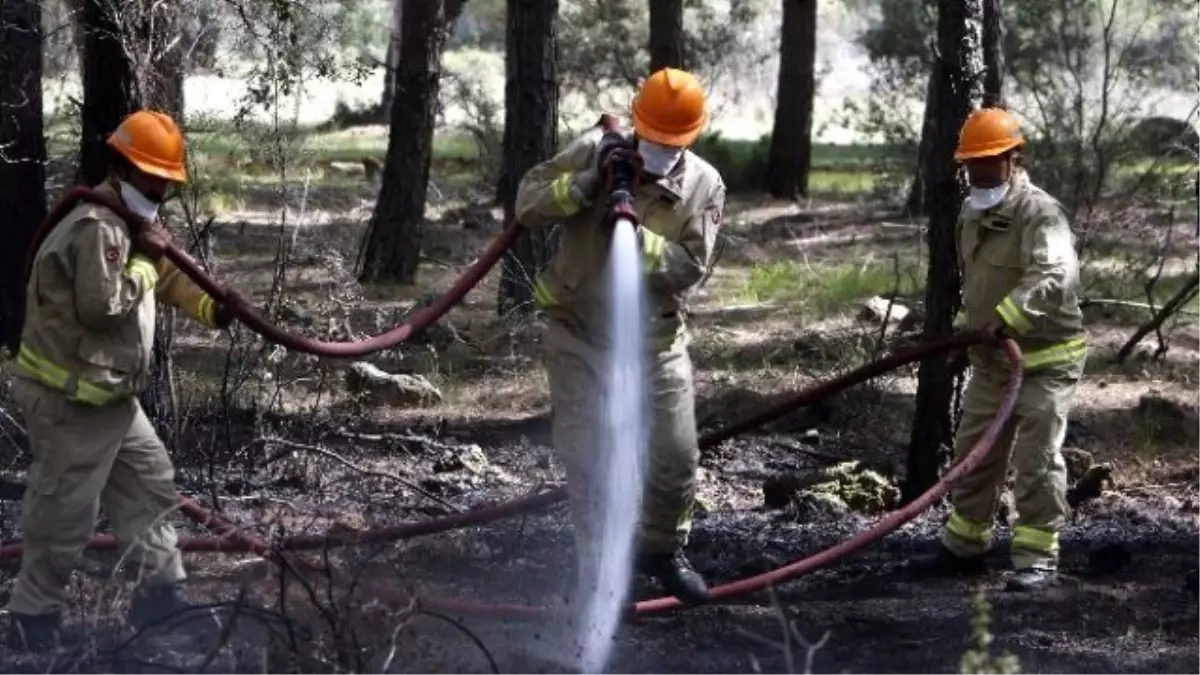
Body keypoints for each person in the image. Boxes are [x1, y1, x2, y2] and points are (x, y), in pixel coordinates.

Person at [7, 109, 242, 650]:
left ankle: (160, 601)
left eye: (167, 179)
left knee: (150, 488)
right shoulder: (100, 226)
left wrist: (216, 309)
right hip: (72, 400)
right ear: (124, 168)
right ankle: (31, 622)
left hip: (108, 395)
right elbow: (103, 306)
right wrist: (144, 261)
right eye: (153, 175)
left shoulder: (129, 227)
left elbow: (167, 277)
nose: (161, 188)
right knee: (66, 512)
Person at [513, 67, 726, 603]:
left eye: (670, 142)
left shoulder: (704, 184)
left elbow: (690, 268)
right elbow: (527, 203)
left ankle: (661, 551)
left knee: (675, 459)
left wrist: (639, 240)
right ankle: (598, 572)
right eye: (651, 137)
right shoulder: (593, 150)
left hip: (654, 343)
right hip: (577, 335)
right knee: (588, 462)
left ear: (690, 137)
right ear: (636, 124)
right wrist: (585, 187)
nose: (658, 149)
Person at [930, 107, 1087, 592]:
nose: (977, 173)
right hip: (992, 363)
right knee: (972, 454)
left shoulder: (1040, 214)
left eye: (988, 162)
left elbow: (1056, 276)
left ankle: (1036, 557)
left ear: (1014, 158)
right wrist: (967, 332)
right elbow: (976, 285)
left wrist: (1008, 319)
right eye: (971, 163)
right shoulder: (971, 213)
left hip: (1045, 362)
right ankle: (965, 545)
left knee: (1036, 460)